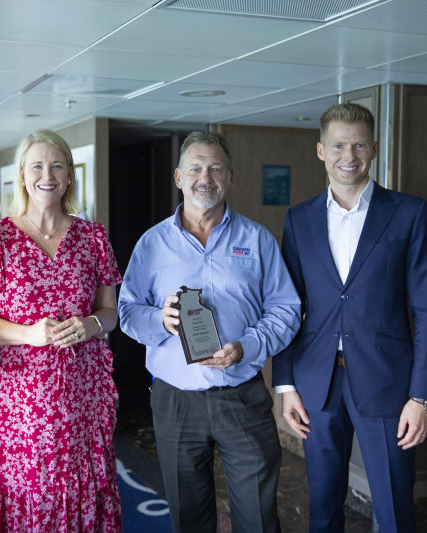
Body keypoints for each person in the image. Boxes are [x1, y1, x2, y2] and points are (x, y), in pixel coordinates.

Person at [273, 102, 427, 533]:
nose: (347, 155)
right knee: (322, 508)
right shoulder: (298, 220)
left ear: (373, 149)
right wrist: (286, 383)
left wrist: (422, 397)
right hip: (318, 384)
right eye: (337, 145)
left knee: (393, 509)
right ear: (320, 150)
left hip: (391, 385)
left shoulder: (410, 213)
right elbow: (287, 307)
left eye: (358, 145)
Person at [118, 131, 301, 533]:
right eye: (196, 168)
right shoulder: (152, 243)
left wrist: (246, 346)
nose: (206, 177)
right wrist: (159, 321)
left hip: (242, 394)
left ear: (230, 177)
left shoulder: (257, 239)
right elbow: (127, 311)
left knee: (258, 515)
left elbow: (287, 310)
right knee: (189, 517)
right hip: (175, 401)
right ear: (179, 177)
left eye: (216, 168)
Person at [0, 129, 123, 532]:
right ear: (22, 175)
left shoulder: (93, 237)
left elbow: (111, 312)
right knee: (24, 485)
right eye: (37, 165)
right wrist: (27, 334)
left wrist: (91, 325)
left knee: (78, 487)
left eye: (56, 165)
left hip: (81, 391)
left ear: (69, 175)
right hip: (18, 398)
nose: (46, 174)